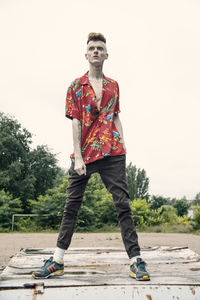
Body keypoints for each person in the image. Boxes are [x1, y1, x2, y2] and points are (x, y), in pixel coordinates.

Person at [32, 32, 150, 281]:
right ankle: (57, 260)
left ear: (106, 54)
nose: (96, 51)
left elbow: (115, 115)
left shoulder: (113, 85)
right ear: (86, 54)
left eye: (100, 48)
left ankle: (136, 261)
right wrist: (77, 157)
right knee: (71, 206)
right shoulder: (76, 86)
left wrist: (123, 144)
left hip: (112, 152)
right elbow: (75, 121)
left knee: (123, 205)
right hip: (84, 153)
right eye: (92, 48)